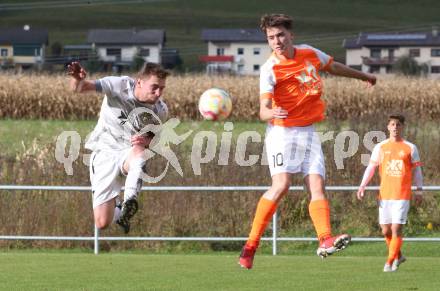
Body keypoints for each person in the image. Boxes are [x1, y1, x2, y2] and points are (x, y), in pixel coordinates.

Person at [239, 13, 377, 269]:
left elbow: (333, 66)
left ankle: (325, 239)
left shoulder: (308, 53)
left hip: (308, 132)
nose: (277, 41)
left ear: (291, 35)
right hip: (282, 132)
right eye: (271, 37)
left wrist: (363, 76)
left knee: (317, 185)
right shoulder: (270, 68)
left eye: (280, 35)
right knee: (282, 185)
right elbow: (262, 110)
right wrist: (272, 112)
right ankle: (250, 247)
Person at [67, 61, 169, 234]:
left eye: (162, 88)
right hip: (104, 153)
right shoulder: (118, 85)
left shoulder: (160, 110)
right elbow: (80, 88)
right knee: (102, 222)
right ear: (139, 82)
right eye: (154, 87)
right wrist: (77, 79)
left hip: (128, 153)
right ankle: (120, 210)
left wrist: (146, 141)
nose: (158, 93)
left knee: (140, 154)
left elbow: (153, 136)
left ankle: (130, 202)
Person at [357, 114, 423, 272]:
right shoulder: (380, 147)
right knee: (385, 230)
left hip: (402, 195)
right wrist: (362, 186)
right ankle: (399, 256)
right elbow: (371, 168)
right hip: (384, 195)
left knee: (395, 229)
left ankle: (389, 262)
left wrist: (419, 190)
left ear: (402, 127)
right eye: (392, 124)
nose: (395, 127)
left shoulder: (410, 147)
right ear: (388, 127)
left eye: (398, 124)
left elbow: (417, 171)